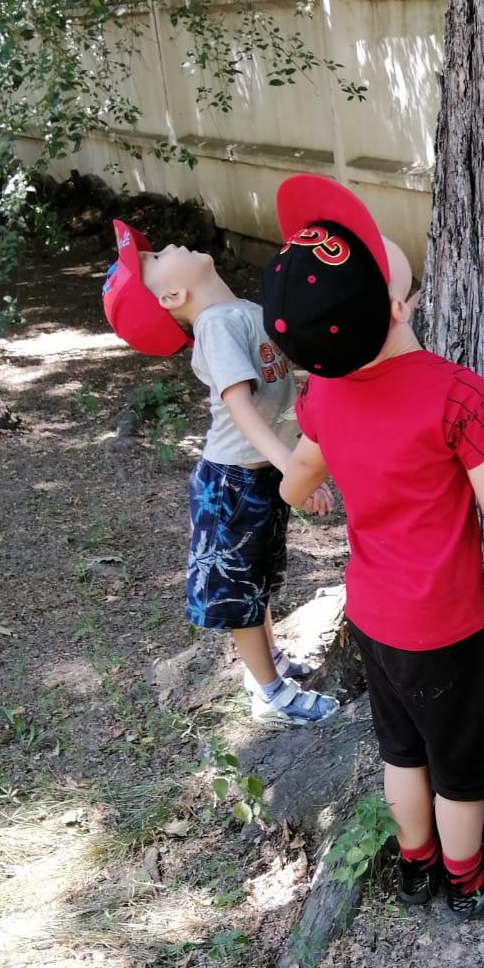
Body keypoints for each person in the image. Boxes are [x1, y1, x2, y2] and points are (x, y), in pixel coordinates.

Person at [263, 176, 484, 920]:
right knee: (460, 765)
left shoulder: (322, 396)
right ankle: (466, 878)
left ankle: (415, 865)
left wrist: (313, 489)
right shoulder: (453, 394)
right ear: (397, 307)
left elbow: (293, 483)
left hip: (374, 617)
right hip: (445, 628)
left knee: (402, 751)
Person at [101, 221, 341, 727]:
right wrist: (294, 468)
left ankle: (267, 664)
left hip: (256, 475)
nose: (167, 244)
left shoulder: (241, 312)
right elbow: (243, 410)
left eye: (156, 245)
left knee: (258, 581)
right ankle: (270, 695)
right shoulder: (216, 325)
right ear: (171, 295)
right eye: (154, 257)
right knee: (240, 592)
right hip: (233, 483)